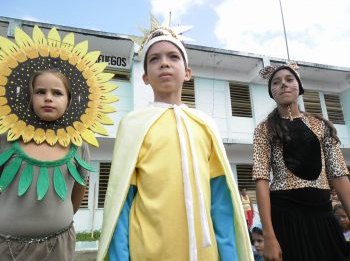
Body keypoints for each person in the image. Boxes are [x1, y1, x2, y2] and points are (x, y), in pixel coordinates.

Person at [97, 15, 253, 261]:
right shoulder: (133, 125)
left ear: (187, 72)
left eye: (173, 57)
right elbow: (121, 202)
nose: (164, 64)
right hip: (148, 251)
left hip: (206, 253)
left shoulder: (205, 125)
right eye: (154, 59)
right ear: (145, 76)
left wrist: (230, 256)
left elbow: (220, 200)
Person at [0, 26, 117, 261]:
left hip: (58, 247)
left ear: (70, 101)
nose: (48, 97)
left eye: (57, 92)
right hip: (6, 247)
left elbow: (79, 190)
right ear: (30, 97)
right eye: (40, 92)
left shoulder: (77, 144)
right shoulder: (6, 139)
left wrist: (60, 219)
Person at [253, 62, 350, 261]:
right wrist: (270, 236)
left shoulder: (321, 126)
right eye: (276, 83)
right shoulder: (264, 129)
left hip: (323, 217)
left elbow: (339, 175)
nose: (284, 85)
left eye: (290, 80)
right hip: (285, 219)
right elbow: (261, 179)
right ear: (271, 92)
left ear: (299, 87)